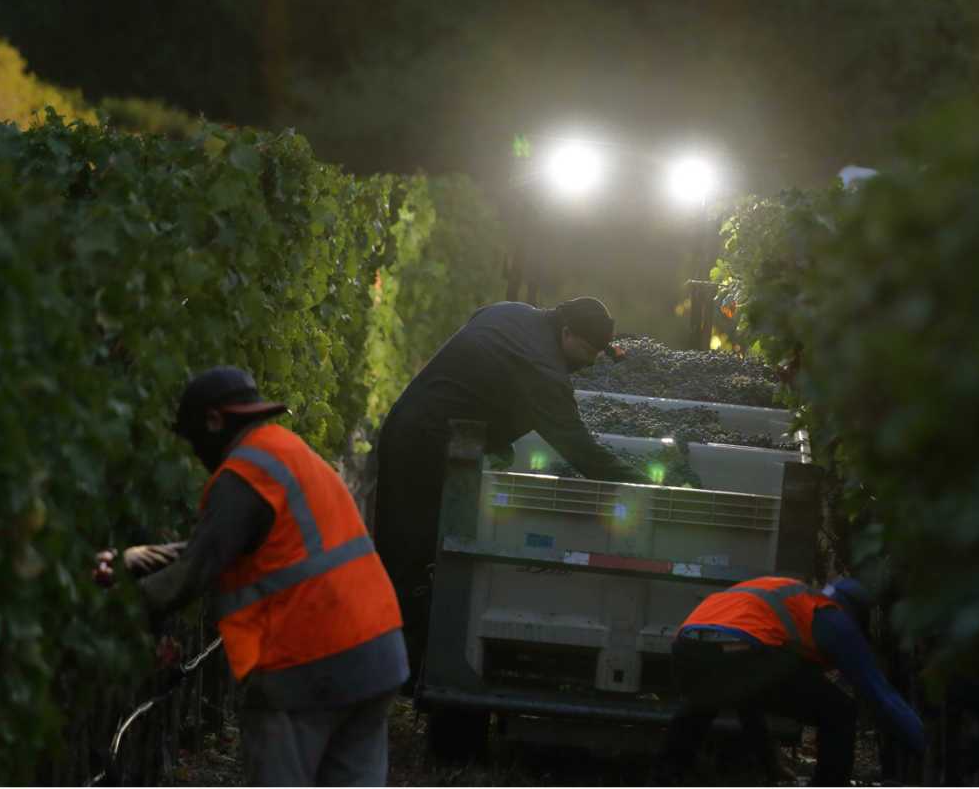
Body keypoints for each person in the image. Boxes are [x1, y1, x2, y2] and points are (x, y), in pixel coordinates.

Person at [135, 366, 409, 786]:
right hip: (376, 653)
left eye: (193, 439)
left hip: (308, 665)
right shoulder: (289, 452)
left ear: (213, 421)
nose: (195, 454)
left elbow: (193, 572)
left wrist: (121, 603)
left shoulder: (244, 474)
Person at [370, 297, 647, 678]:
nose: (590, 362)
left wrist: (495, 434)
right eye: (587, 351)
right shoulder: (543, 369)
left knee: (412, 552)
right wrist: (645, 485)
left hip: (420, 428)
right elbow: (581, 450)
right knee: (414, 556)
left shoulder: (511, 312)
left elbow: (480, 370)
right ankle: (394, 669)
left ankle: (398, 662)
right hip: (422, 445)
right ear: (566, 332)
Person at [656, 575, 925, 786]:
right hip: (742, 650)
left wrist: (770, 764)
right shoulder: (829, 614)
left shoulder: (787, 598)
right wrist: (926, 747)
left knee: (706, 700)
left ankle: (665, 778)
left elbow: (747, 698)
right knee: (840, 710)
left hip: (686, 648)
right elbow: (880, 693)